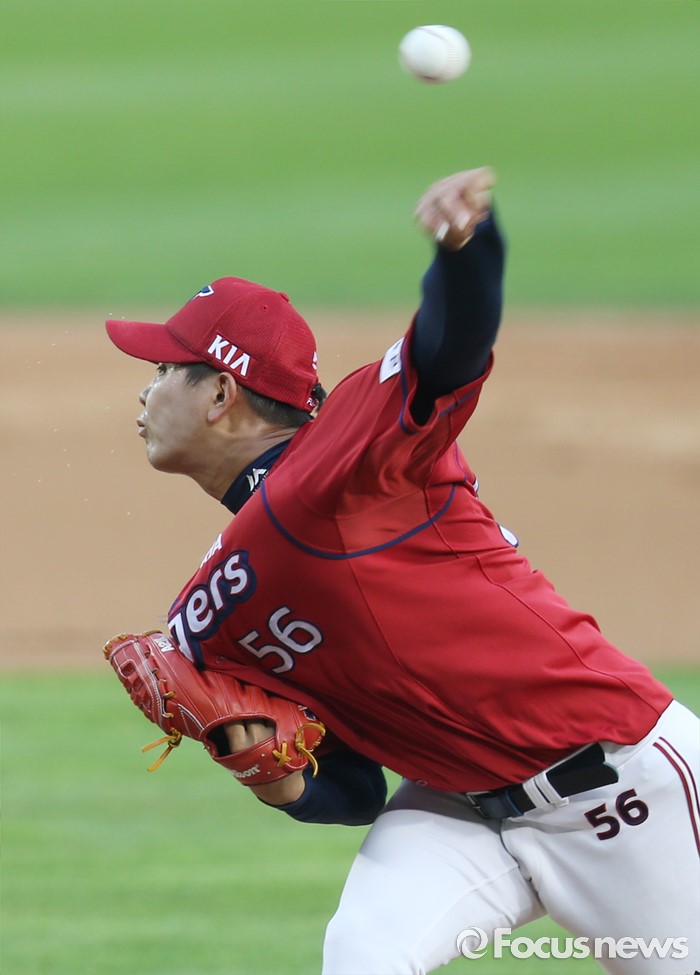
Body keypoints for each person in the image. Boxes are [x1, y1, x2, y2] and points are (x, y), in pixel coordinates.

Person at [106, 168, 699, 974]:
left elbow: (449, 347)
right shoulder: (204, 618)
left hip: (619, 787)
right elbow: (355, 785)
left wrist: (466, 249)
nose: (144, 391)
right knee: (364, 953)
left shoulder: (343, 459)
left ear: (220, 391)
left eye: (162, 369)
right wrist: (281, 781)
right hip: (457, 806)